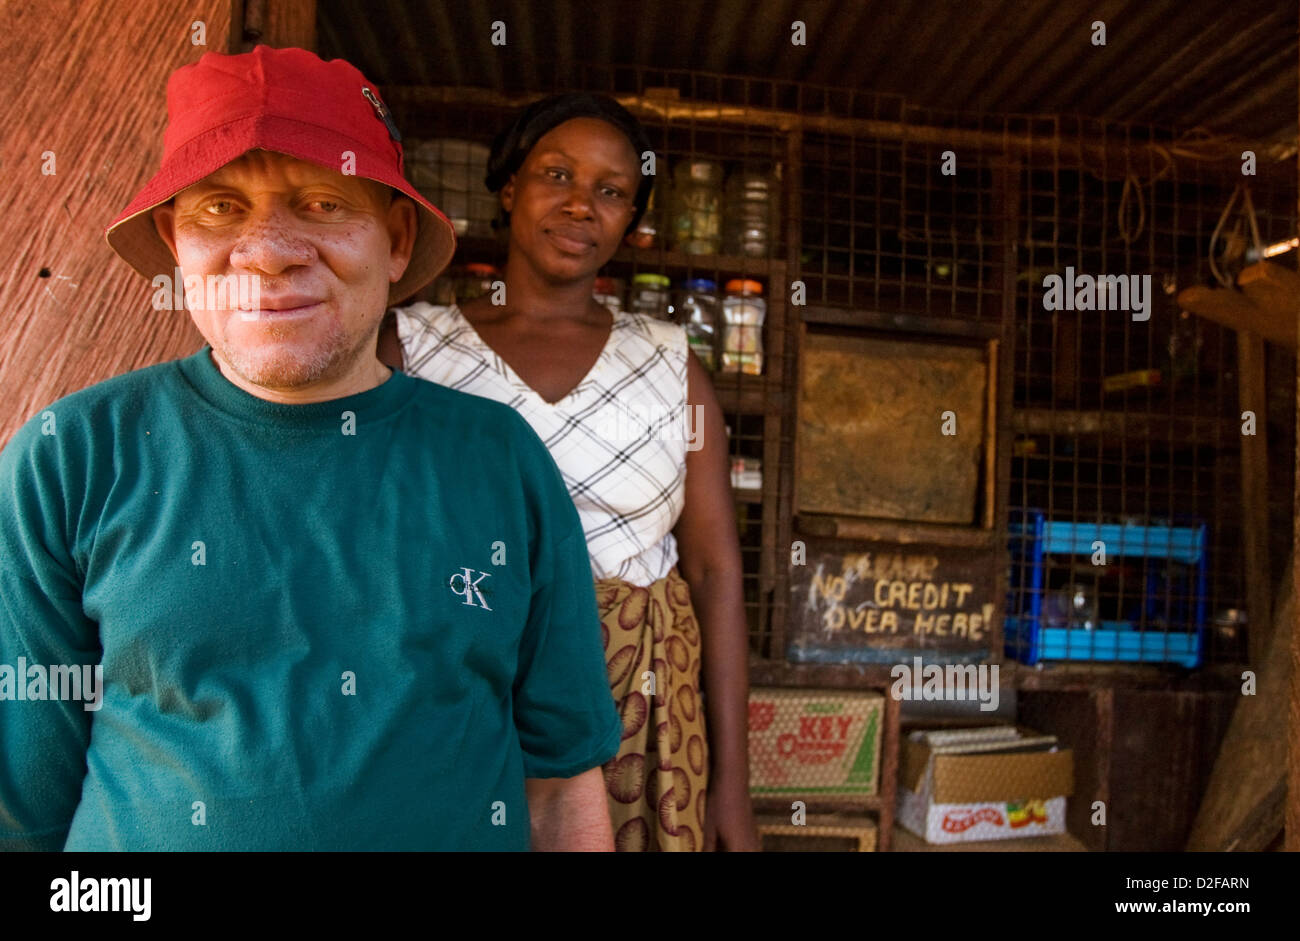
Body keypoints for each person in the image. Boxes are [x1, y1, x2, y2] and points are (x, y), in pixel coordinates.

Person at [0, 46, 622, 852]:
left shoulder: (500, 462)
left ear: (397, 239)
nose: (268, 251)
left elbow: (561, 786)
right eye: (220, 208)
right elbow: (25, 810)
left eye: (323, 202)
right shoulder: (70, 458)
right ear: (174, 241)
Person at [380, 93, 759, 851]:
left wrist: (733, 787)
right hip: (460, 700)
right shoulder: (414, 351)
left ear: (630, 220)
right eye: (557, 174)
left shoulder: (667, 362)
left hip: (638, 722)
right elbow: (370, 550)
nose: (581, 204)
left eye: (611, 190)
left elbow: (715, 571)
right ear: (510, 186)